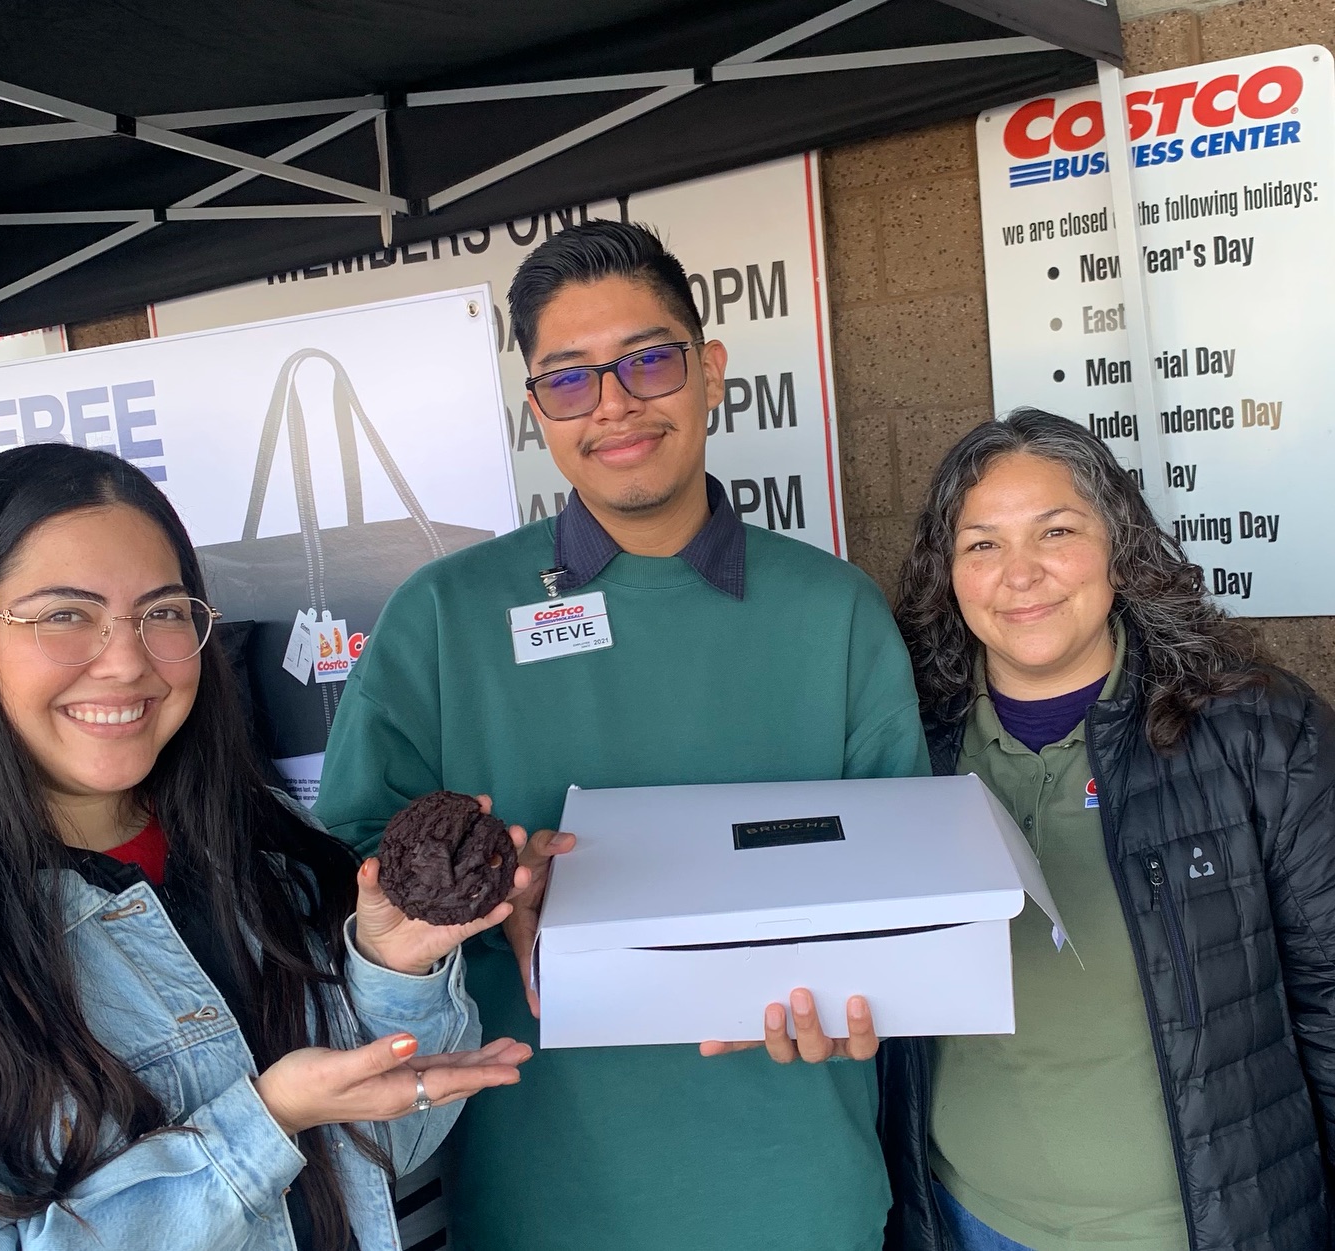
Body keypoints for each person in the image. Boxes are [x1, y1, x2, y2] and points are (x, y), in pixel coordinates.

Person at [314, 219, 927, 1251]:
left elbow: (909, 881)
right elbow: (343, 874)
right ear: (536, 410)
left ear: (711, 369)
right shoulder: (442, 618)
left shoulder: (838, 613)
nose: (616, 405)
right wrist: (490, 877)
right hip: (543, 1192)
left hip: (798, 1188)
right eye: (570, 379)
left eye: (649, 361)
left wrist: (886, 978)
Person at [0, 443, 532, 1251]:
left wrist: (395, 967)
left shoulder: (272, 847)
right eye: (65, 614)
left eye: (162, 611)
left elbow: (385, 1149)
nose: (127, 662)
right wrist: (263, 1124)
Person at [881, 407, 1335, 1251]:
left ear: (1120, 549)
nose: (1021, 574)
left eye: (1056, 530)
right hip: (966, 1222)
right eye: (982, 544)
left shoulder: (1259, 732)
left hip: (1206, 1230)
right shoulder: (906, 743)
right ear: (948, 573)